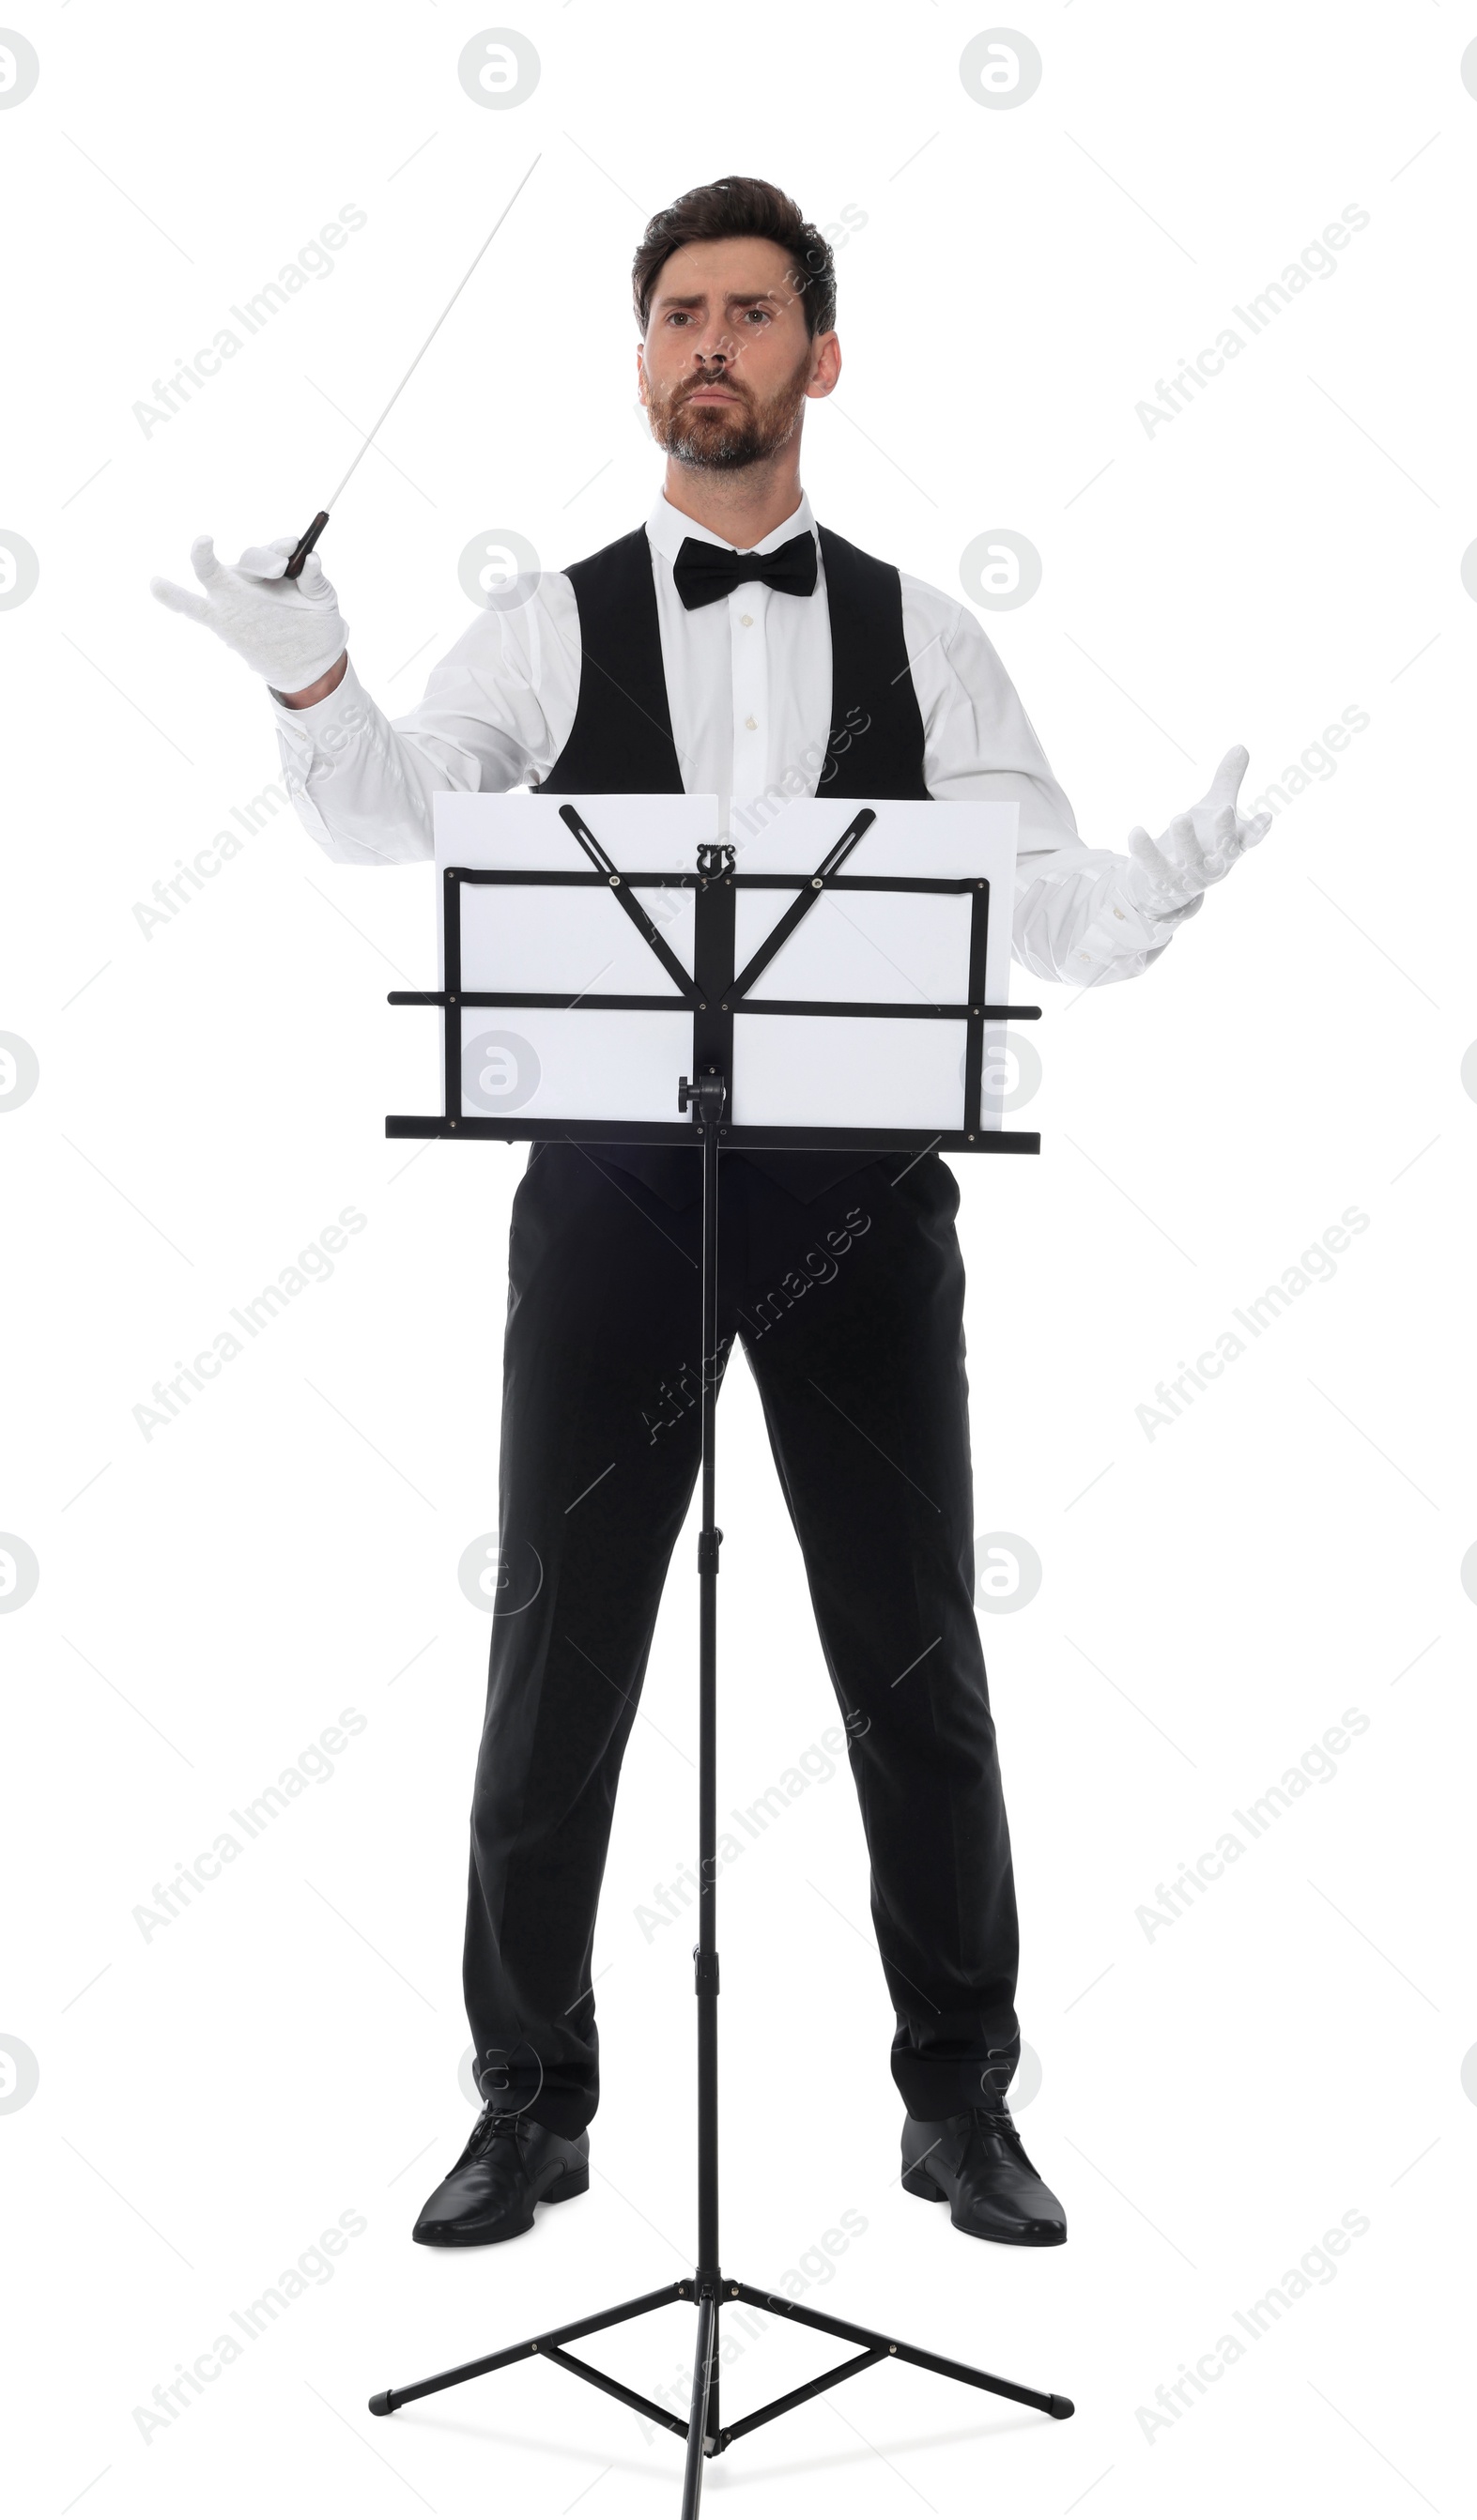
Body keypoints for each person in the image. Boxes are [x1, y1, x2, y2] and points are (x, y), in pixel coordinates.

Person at [151, 175, 1269, 2255]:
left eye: (754, 313)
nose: (714, 347)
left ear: (817, 359)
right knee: (555, 1646)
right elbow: (400, 823)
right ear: (641, 356)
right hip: (608, 1201)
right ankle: (527, 2099)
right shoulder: (549, 621)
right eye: (681, 313)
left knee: (911, 1653)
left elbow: (1033, 899)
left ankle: (961, 2103)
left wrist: (1148, 893)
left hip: (857, 1202)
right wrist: (311, 684)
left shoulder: (925, 629)